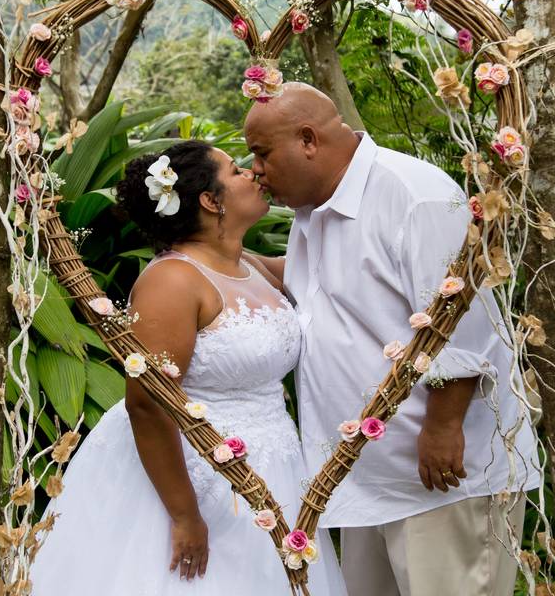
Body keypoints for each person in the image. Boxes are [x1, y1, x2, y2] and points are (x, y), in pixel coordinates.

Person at [244, 83, 541, 596]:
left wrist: (443, 426)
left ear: (308, 139)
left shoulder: (413, 195)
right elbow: (306, 283)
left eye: (262, 153)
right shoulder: (313, 207)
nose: (255, 170)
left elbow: (461, 318)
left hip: (439, 475)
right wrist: (204, 250)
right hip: (361, 476)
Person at [28, 140, 346, 595]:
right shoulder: (171, 281)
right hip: (195, 474)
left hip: (275, 465)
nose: (252, 174)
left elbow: (331, 263)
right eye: (236, 171)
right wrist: (184, 513)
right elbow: (147, 403)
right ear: (210, 201)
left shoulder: (247, 265)